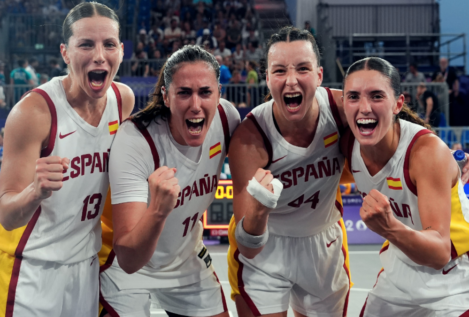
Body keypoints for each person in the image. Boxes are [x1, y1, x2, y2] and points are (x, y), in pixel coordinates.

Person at [0, 2, 134, 316]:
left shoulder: (123, 100)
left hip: (85, 267)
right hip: (32, 267)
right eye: (86, 44)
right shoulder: (34, 112)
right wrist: (34, 191)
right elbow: (6, 215)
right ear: (65, 53)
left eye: (109, 44)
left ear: (121, 51)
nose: (99, 55)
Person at [99, 45, 240, 317]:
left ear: (219, 93)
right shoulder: (135, 140)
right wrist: (158, 211)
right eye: (184, 93)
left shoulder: (227, 119)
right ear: (166, 95)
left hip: (186, 258)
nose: (196, 105)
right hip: (128, 266)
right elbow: (129, 259)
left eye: (205, 92)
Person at [227, 26, 352, 317]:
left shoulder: (342, 109)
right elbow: (248, 246)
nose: (291, 80)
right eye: (280, 71)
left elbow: (394, 130)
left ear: (320, 76)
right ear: (267, 78)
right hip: (266, 248)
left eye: (303, 69)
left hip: (323, 240)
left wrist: (437, 151)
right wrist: (260, 209)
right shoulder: (251, 137)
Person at [341, 57, 469, 317]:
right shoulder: (346, 148)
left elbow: (439, 252)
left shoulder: (426, 153)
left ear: (398, 103)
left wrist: (390, 227)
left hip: (455, 276)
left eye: (377, 96)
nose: (364, 107)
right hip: (399, 270)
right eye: (353, 96)